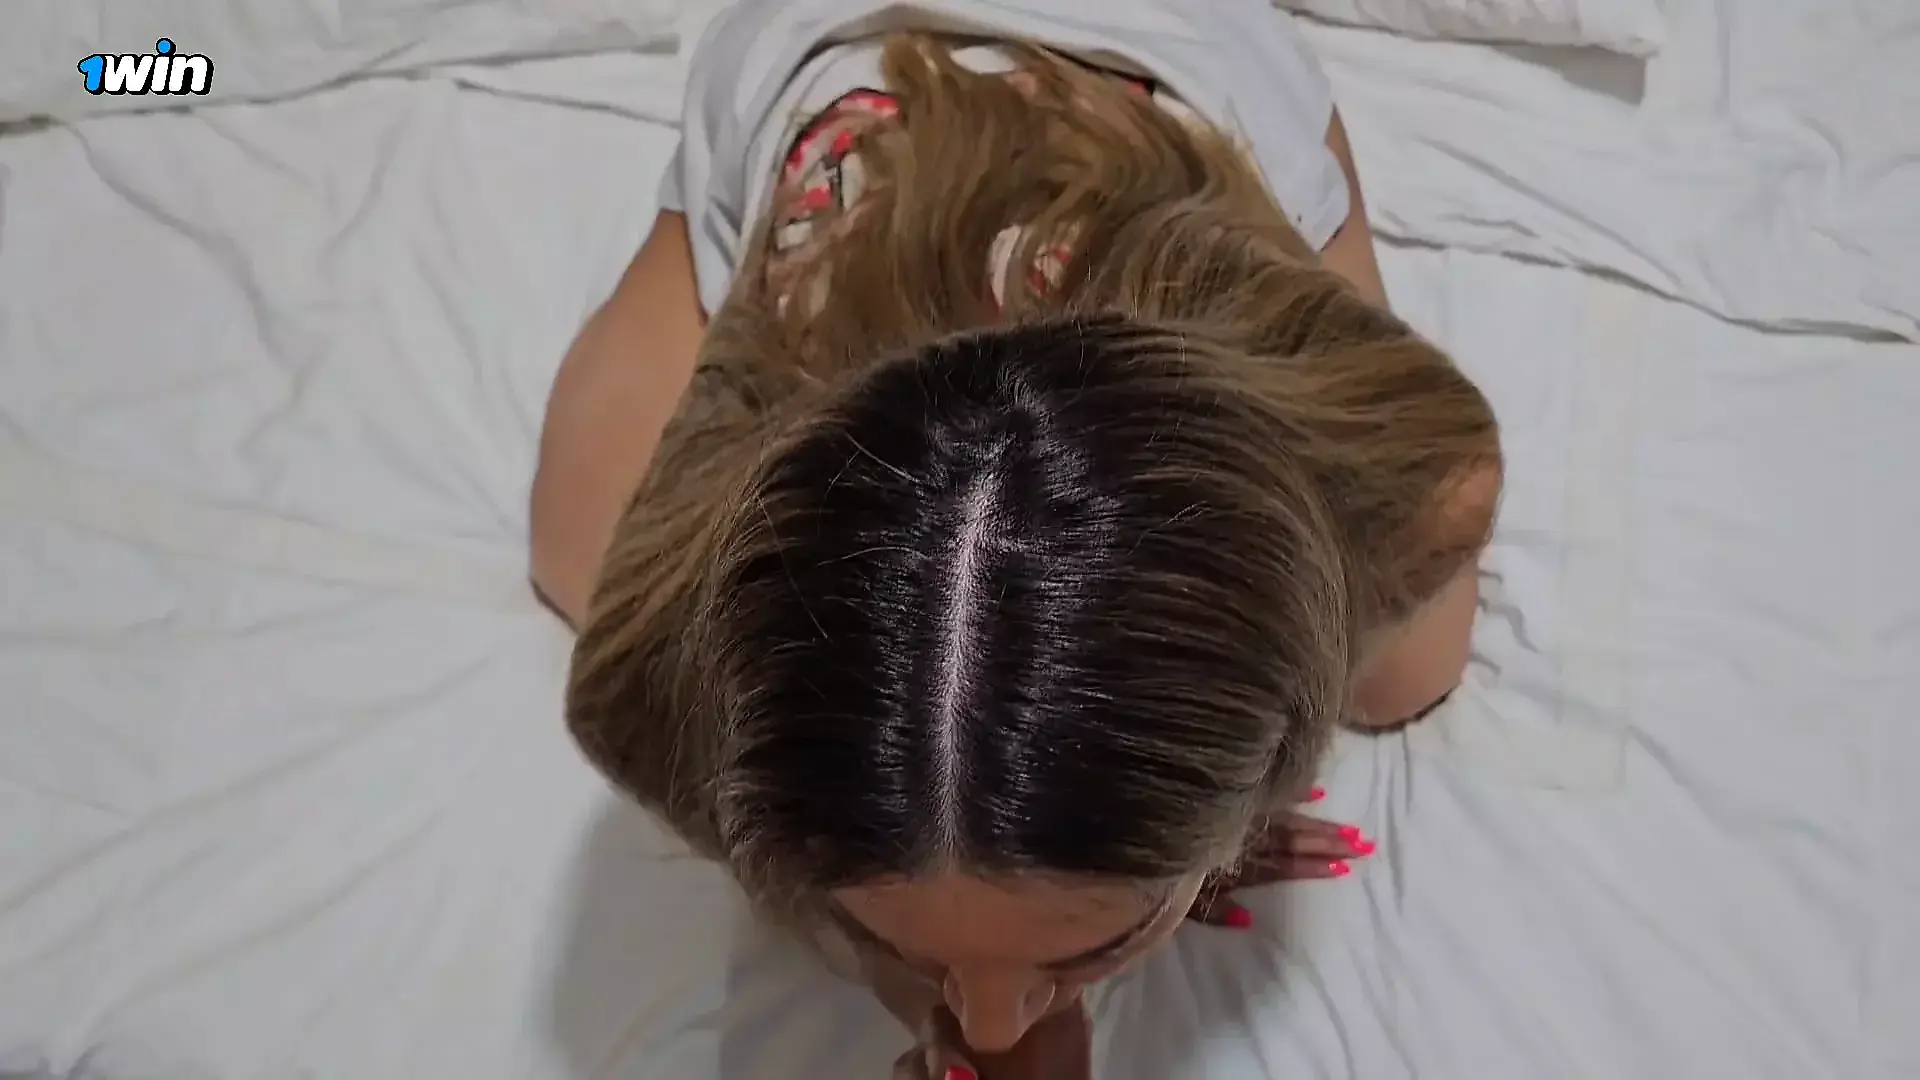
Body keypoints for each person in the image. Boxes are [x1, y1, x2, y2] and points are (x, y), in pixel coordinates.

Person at [531, 1, 1502, 1076]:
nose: (993, 1030)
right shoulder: (659, 662)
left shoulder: (1402, 469)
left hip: (1175, 54)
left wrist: (1208, 803)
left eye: (1096, 946)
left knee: (1407, 667)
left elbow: (1428, 520)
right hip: (842, 53)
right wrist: (932, 969)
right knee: (582, 552)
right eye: (893, 937)